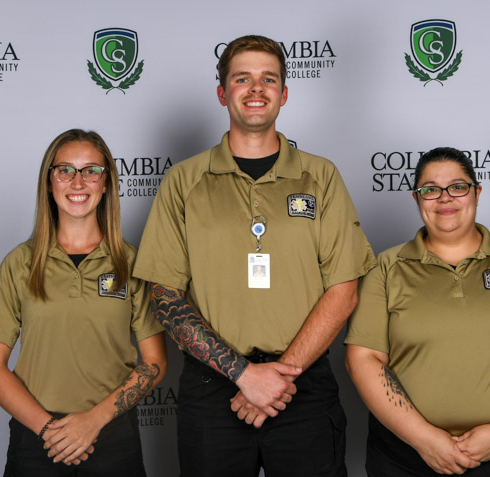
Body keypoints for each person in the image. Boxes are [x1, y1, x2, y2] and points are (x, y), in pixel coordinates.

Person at [133, 35, 376, 476]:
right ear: (223, 93)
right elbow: (165, 296)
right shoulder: (183, 181)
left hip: (302, 387)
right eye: (242, 78)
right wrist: (245, 375)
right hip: (213, 388)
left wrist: (278, 377)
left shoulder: (321, 176)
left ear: (284, 93)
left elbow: (344, 289)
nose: (256, 89)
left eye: (269, 79)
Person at [345, 147, 490, 476]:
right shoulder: (385, 268)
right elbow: (363, 359)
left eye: (457, 186)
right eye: (430, 190)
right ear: (417, 199)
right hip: (406, 457)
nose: (445, 198)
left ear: (476, 192)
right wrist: (425, 440)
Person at [0, 129, 167, 476]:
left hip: (112, 437)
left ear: (106, 183)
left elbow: (154, 363)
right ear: (49, 183)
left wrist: (93, 421)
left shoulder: (131, 263)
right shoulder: (20, 263)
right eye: (65, 170)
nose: (78, 182)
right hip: (37, 439)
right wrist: (50, 430)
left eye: (91, 170)